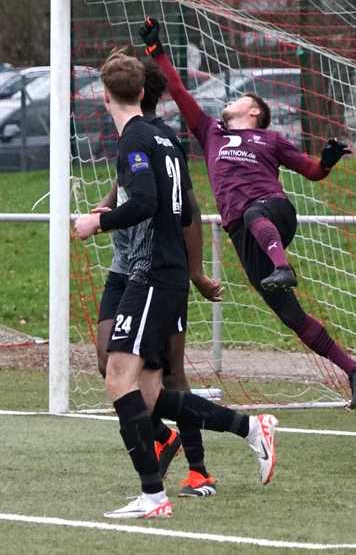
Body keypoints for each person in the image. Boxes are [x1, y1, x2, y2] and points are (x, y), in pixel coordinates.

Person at [75, 51, 278, 520]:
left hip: (150, 274)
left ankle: (153, 496)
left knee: (117, 379)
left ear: (105, 96)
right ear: (141, 91)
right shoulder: (166, 137)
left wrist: (97, 222)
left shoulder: (133, 138)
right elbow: (184, 208)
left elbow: (146, 201)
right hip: (163, 273)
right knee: (146, 393)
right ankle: (250, 429)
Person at [139, 17, 356, 409]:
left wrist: (327, 161)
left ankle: (284, 267)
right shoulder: (210, 131)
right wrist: (156, 50)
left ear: (254, 113)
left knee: (253, 213)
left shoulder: (270, 138)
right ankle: (354, 370)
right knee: (290, 315)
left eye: (240, 100)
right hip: (245, 236)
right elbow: (177, 89)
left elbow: (312, 171)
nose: (231, 100)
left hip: (275, 214)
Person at [93, 59, 224, 498]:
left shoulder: (156, 137)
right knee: (110, 364)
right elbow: (126, 189)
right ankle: (163, 441)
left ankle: (199, 469)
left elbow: (187, 209)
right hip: (124, 269)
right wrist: (106, 207)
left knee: (169, 373)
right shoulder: (132, 137)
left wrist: (196, 272)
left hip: (158, 271)